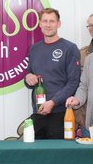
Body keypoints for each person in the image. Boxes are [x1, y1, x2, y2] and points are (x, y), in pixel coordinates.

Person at [25, 8, 80, 139]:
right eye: (45, 21)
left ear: (58, 24)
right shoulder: (34, 49)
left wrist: (53, 102)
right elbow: (29, 75)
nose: (48, 25)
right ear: (40, 24)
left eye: (52, 21)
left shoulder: (70, 48)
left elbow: (73, 82)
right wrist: (28, 77)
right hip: (38, 113)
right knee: (36, 156)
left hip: (60, 114)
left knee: (59, 157)